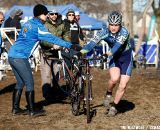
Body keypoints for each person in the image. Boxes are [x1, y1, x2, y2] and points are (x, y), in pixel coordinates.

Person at [8, 4, 80, 117]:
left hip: (12, 55)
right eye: (46, 14)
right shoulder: (38, 27)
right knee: (29, 83)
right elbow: (52, 38)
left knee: (20, 82)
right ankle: (32, 111)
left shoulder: (28, 23)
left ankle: (15, 109)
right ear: (41, 14)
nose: (47, 16)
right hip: (19, 57)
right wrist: (70, 45)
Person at [80, 11, 133, 116]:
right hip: (115, 58)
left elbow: (117, 46)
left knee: (123, 85)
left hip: (126, 58)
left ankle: (114, 106)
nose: (113, 27)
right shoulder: (103, 32)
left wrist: (107, 54)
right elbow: (92, 43)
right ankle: (108, 93)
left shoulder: (124, 32)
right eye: (111, 24)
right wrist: (81, 52)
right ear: (108, 23)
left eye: (116, 25)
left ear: (120, 24)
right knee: (114, 79)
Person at [39, 9, 71, 100]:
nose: (54, 15)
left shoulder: (62, 24)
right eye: (52, 14)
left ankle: (55, 92)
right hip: (46, 53)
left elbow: (66, 35)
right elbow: (42, 39)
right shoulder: (44, 25)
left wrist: (66, 44)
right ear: (48, 15)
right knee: (46, 75)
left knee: (56, 74)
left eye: (55, 13)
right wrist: (52, 45)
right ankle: (47, 95)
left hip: (57, 54)